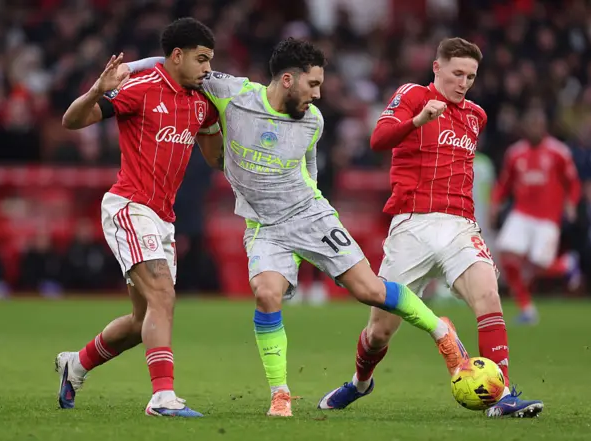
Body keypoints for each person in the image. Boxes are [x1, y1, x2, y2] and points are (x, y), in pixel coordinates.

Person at [125, 38, 468, 418]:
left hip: (309, 215)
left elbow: (311, 171)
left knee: (369, 290)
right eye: (313, 84)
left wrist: (314, 212)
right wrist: (126, 71)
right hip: (264, 225)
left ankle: (442, 332)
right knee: (266, 294)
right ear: (287, 79)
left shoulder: (313, 122)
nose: (318, 95)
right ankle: (281, 393)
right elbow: (176, 62)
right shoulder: (233, 93)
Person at [317, 37, 544, 418]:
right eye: (457, 73)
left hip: (459, 224)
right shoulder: (411, 95)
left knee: (489, 296)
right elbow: (377, 141)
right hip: (412, 224)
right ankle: (360, 382)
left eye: (471, 76)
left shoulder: (477, 115)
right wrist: (418, 120)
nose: (464, 83)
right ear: (436, 68)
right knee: (379, 332)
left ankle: (502, 394)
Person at [56, 18, 223, 418]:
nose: (207, 69)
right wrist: (97, 89)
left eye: (210, 61)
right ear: (176, 55)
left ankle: (75, 364)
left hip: (163, 217)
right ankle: (162, 397)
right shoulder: (141, 89)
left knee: (142, 319)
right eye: (201, 60)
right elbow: (72, 121)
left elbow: (215, 159)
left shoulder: (201, 102)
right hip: (130, 207)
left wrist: (228, 123)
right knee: (163, 295)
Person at [491, 108, 581, 324]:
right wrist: (495, 203)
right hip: (521, 213)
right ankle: (527, 309)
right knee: (505, 253)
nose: (534, 129)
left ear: (545, 127)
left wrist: (572, 203)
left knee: (539, 264)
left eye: (538, 125)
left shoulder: (559, 152)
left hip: (548, 218)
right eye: (530, 125)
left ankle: (568, 264)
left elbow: (573, 183)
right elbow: (505, 183)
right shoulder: (515, 153)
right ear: (525, 128)